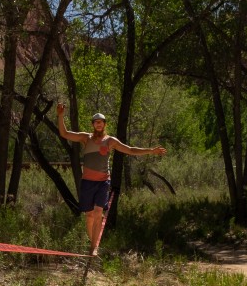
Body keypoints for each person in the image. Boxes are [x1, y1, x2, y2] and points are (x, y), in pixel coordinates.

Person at [57, 103, 167, 256]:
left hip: (103, 182)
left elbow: (130, 150)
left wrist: (151, 151)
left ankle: (93, 248)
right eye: (96, 122)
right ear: (93, 124)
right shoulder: (85, 138)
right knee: (89, 216)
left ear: (105, 124)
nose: (98, 124)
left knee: (98, 212)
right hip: (87, 182)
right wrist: (60, 115)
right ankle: (93, 242)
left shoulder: (110, 141)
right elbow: (64, 133)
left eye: (101, 122)